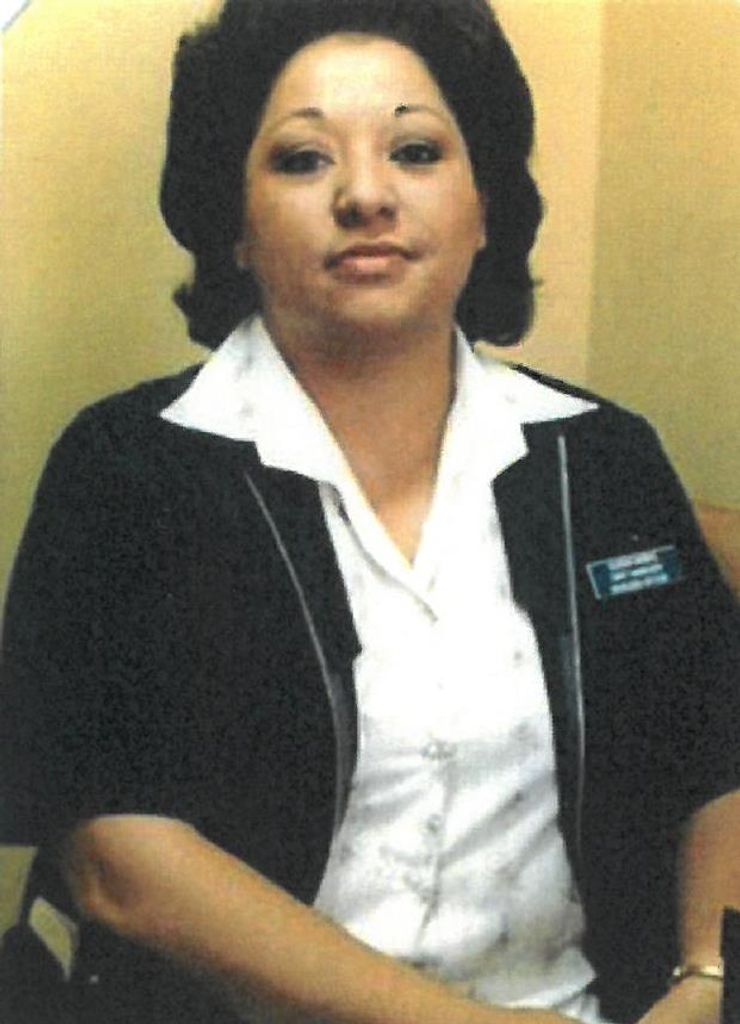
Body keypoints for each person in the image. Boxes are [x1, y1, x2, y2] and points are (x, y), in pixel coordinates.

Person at [0, 1, 738, 1022]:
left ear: (484, 208)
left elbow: (712, 754)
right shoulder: (130, 468)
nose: (365, 195)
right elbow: (118, 858)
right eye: (303, 160)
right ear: (234, 225)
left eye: (416, 151)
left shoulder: (601, 457)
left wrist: (705, 977)